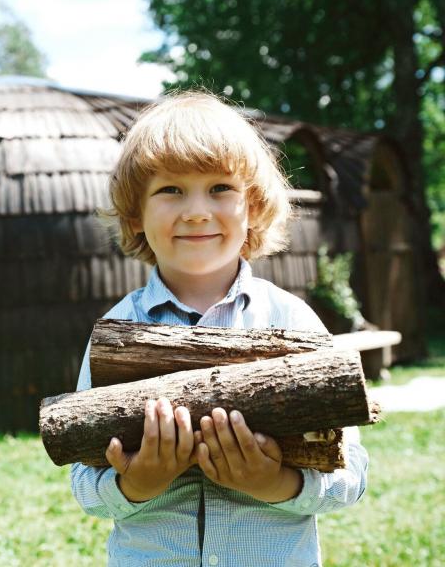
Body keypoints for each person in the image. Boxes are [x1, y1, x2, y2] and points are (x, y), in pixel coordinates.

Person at [70, 91, 368, 566]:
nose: (196, 211)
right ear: (135, 215)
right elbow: (84, 487)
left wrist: (271, 482)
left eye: (220, 188)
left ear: (253, 205)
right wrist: (138, 482)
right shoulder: (117, 332)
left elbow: (352, 475)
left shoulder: (291, 321)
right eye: (170, 190)